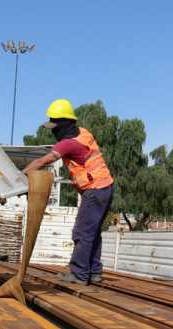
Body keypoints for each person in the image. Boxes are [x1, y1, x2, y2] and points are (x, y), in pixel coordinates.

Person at [22, 98, 115, 285]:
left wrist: (19, 175)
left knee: (81, 232)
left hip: (95, 191)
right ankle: (94, 272)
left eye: (54, 126)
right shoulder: (83, 133)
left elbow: (41, 162)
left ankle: (79, 274)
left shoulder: (68, 144)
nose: (53, 131)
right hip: (106, 187)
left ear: (63, 124)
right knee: (93, 232)